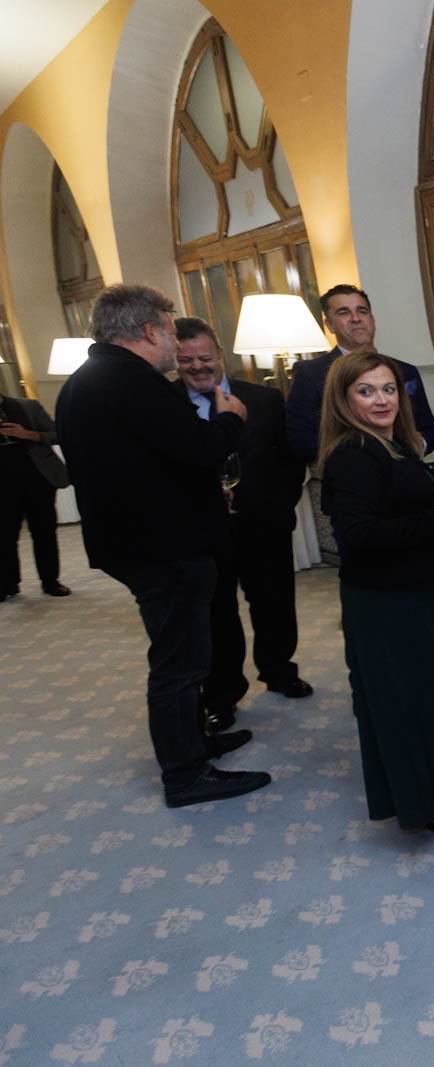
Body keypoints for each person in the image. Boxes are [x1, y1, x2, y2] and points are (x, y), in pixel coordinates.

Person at [54, 284, 268, 807]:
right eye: (171, 330)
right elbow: (199, 449)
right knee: (180, 665)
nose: (175, 341)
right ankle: (185, 773)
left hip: (132, 541)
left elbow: (147, 461)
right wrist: (231, 419)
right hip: (163, 547)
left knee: (182, 656)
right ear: (150, 330)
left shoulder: (85, 380)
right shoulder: (132, 381)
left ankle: (196, 741)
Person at [318, 347, 434, 833]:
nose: (381, 400)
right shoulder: (352, 454)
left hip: (410, 589)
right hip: (382, 600)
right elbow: (360, 537)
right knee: (404, 701)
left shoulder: (395, 445)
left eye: (388, 389)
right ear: (343, 400)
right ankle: (423, 803)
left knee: (430, 690)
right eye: (365, 391)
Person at [173, 317, 311, 732]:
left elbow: (289, 459)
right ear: (175, 362)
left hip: (264, 523)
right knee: (216, 613)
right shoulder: (163, 405)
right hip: (201, 531)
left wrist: (281, 504)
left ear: (220, 355)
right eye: (186, 360)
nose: (198, 366)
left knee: (274, 603)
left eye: (205, 357)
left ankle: (279, 669)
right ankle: (221, 693)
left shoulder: (265, 399)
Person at [284, 284, 434, 462]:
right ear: (329, 325)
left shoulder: (406, 371)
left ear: (372, 320)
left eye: (362, 311)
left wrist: (416, 446)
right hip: (344, 475)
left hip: (405, 470)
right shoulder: (310, 373)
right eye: (344, 312)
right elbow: (300, 441)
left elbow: (430, 430)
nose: (355, 318)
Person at [0, 391, 71, 600]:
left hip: (38, 480)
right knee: (4, 536)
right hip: (3, 485)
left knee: (44, 531)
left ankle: (50, 581)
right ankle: (7, 585)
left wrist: (30, 434)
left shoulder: (28, 407)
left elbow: (57, 433)